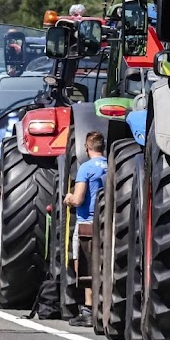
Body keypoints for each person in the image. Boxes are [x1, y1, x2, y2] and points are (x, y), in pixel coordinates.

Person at [63, 131, 108, 327]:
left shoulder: (86, 168)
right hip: (106, 223)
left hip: (86, 224)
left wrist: (68, 198)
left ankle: (88, 309)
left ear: (86, 148)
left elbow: (79, 198)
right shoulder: (110, 166)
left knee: (84, 266)